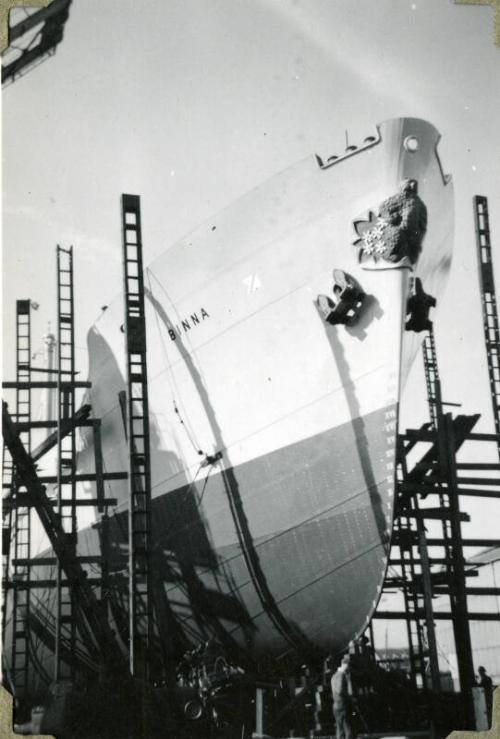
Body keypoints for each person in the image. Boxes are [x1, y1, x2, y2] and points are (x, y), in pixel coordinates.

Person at [331, 655, 353, 739]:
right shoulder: (342, 675)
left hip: (336, 706)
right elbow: (340, 690)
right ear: (346, 665)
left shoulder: (334, 676)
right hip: (343, 705)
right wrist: (349, 697)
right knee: (348, 729)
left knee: (339, 729)